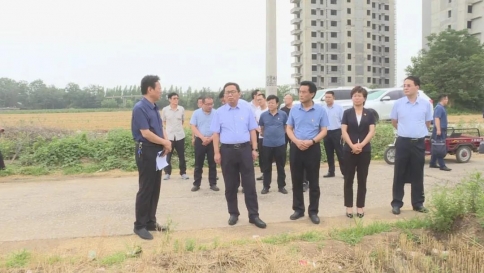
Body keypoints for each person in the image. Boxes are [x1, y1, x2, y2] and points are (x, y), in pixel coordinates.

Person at [210, 82, 267, 229]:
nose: (230, 95)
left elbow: (252, 130)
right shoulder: (219, 113)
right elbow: (216, 134)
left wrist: (254, 149)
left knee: (249, 184)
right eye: (227, 92)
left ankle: (254, 215)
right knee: (230, 185)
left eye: (233, 92)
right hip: (227, 151)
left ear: (239, 94)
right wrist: (216, 152)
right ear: (224, 95)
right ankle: (233, 213)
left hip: (244, 150)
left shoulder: (247, 110)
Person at [131, 75, 172, 240]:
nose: (161, 91)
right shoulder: (140, 107)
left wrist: (166, 142)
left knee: (155, 188)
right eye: (159, 88)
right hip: (146, 150)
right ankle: (139, 225)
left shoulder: (154, 107)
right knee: (146, 188)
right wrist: (164, 142)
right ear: (150, 89)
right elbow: (145, 133)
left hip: (157, 151)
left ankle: (150, 221)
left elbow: (161, 127)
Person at [286, 81, 329, 225]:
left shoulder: (320, 110)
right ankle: (298, 209)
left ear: (312, 94)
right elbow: (289, 128)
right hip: (296, 148)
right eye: (300, 91)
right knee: (296, 180)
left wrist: (312, 141)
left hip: (312, 148)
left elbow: (324, 130)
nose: (301, 94)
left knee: (314, 182)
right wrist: (296, 141)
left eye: (304, 92)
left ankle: (313, 211)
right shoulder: (294, 110)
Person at [390, 76, 433, 215]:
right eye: (404, 85)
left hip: (418, 143)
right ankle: (396, 203)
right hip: (402, 142)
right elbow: (394, 122)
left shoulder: (426, 104)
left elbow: (427, 123)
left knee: (417, 173)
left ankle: (418, 203)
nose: (405, 88)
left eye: (409, 85)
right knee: (399, 173)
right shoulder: (398, 103)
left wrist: (416, 132)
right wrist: (405, 130)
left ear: (417, 87)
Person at [341, 86, 376, 219]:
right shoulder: (347, 113)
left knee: (362, 179)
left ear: (364, 98)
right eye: (355, 95)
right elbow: (344, 131)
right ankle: (349, 206)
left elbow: (371, 130)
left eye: (360, 95)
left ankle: (360, 206)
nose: (357, 98)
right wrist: (352, 145)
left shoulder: (370, 113)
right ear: (352, 98)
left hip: (364, 150)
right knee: (348, 179)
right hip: (349, 150)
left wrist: (361, 144)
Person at [259, 95, 288, 194]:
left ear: (277, 104)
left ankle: (281, 186)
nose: (270, 104)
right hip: (267, 144)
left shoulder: (283, 114)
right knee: (266, 166)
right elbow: (262, 129)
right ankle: (266, 186)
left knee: (281, 166)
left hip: (280, 144)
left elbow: (285, 127)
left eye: (272, 103)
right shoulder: (263, 115)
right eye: (269, 102)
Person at [190, 96, 219, 192]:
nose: (210, 106)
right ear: (202, 104)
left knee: (212, 163)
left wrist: (210, 138)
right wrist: (202, 138)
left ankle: (213, 183)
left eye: (211, 104)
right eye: (208, 104)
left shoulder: (216, 113)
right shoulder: (196, 113)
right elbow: (193, 127)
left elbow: (218, 128)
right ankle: (196, 184)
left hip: (212, 140)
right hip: (200, 140)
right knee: (198, 163)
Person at [281, 93, 309, 192]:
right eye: (284, 98)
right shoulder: (283, 110)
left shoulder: (298, 109)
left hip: (301, 138)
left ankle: (305, 181)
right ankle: (297, 183)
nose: (285, 100)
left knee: (305, 161)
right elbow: (287, 125)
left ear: (292, 99)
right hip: (289, 135)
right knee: (294, 161)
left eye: (287, 98)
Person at [161, 92, 189, 180]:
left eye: (177, 98)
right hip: (169, 136)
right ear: (169, 99)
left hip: (180, 135)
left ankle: (183, 173)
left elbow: (182, 121)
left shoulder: (181, 109)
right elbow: (163, 122)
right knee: (168, 155)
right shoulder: (165, 110)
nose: (176, 100)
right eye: (174, 98)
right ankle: (167, 173)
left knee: (181, 155)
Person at [322, 91, 345, 178]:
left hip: (337, 132)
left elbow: (343, 122)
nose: (327, 99)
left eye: (329, 97)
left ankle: (344, 172)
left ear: (333, 98)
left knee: (340, 153)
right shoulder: (323, 109)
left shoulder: (339, 108)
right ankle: (331, 171)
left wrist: (343, 133)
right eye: (326, 97)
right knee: (329, 153)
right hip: (326, 133)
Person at [429, 94, 451, 171]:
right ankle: (442, 165)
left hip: (441, 129)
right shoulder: (439, 108)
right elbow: (437, 119)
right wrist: (438, 129)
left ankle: (432, 163)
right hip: (439, 130)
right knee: (439, 147)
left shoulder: (441, 108)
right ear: (443, 99)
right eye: (447, 99)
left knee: (436, 145)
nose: (447, 101)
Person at [255, 93, 268, 180]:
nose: (259, 101)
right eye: (257, 100)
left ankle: (268, 173)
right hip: (261, 136)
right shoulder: (257, 110)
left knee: (268, 156)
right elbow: (254, 122)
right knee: (262, 156)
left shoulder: (268, 110)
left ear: (265, 99)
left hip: (269, 137)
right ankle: (263, 173)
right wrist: (258, 129)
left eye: (260, 99)